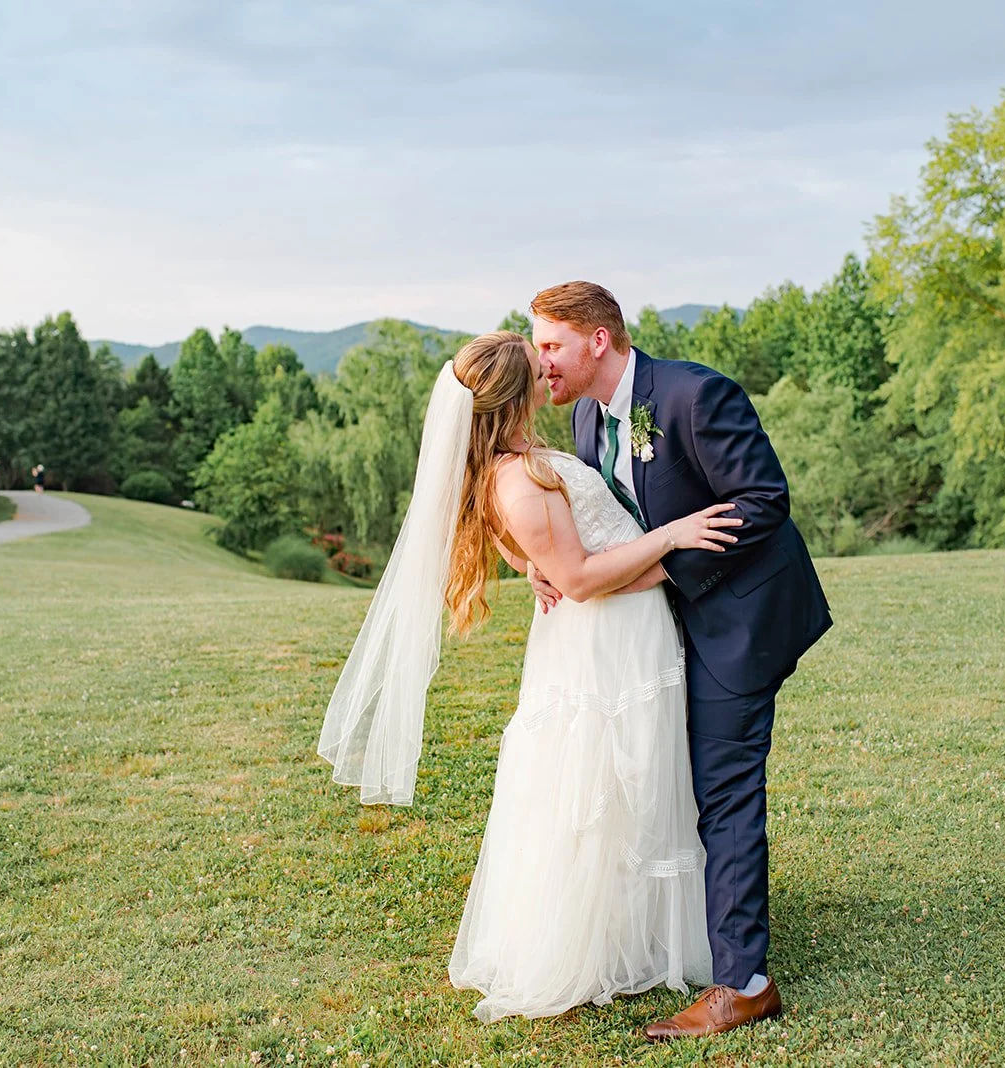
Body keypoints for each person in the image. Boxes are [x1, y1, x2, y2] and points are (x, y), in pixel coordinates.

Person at [319, 332, 743, 1023]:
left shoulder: (514, 463)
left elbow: (534, 550)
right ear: (513, 394)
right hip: (607, 640)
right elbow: (578, 578)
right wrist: (671, 538)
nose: (548, 367)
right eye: (534, 361)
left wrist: (527, 565)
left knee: (629, 778)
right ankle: (596, 942)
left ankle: (635, 928)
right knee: (605, 781)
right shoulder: (517, 478)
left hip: (620, 628)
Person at [529, 282, 832, 1041]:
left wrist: (665, 566)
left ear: (598, 340)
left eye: (552, 345)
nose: (542, 362)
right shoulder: (585, 416)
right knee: (669, 775)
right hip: (658, 632)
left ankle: (744, 986)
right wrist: (548, 563)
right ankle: (695, 931)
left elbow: (763, 501)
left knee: (723, 788)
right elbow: (604, 518)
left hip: (739, 619)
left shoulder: (695, 395)